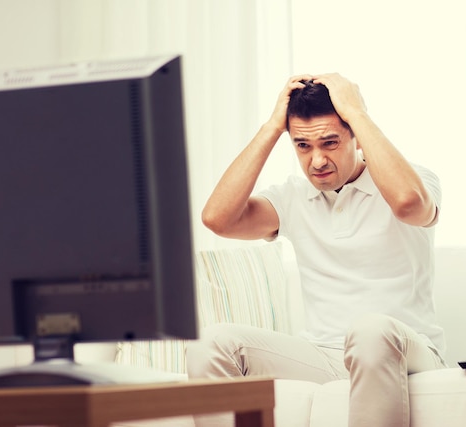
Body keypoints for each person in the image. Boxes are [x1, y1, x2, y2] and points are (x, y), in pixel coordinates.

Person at [190, 73, 446, 427]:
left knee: (370, 330)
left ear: (355, 136)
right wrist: (270, 128)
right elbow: (217, 219)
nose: (317, 161)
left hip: (405, 351)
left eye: (330, 142)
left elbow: (408, 204)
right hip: (324, 357)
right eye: (303, 146)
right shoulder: (293, 197)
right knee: (214, 343)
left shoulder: (413, 178)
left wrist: (357, 112)